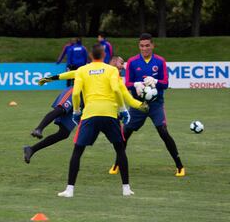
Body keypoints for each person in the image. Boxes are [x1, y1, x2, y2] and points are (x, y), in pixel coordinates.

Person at [25, 56, 148, 165]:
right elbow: (72, 74)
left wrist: (134, 105)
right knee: (61, 109)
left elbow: (114, 98)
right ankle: (39, 128)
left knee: (64, 133)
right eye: (122, 63)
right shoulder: (95, 69)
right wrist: (49, 79)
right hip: (75, 92)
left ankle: (31, 149)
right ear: (114, 62)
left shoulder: (115, 78)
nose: (123, 66)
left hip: (84, 104)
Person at [57, 43, 134, 198]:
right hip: (109, 114)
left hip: (90, 114)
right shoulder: (112, 70)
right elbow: (117, 90)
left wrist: (77, 112)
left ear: (90, 56)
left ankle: (69, 190)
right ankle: (126, 188)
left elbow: (76, 93)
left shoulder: (82, 70)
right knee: (120, 149)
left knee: (78, 151)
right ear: (104, 56)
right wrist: (123, 109)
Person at [109, 33, 185, 177]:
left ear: (152, 45)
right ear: (139, 46)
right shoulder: (132, 62)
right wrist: (136, 84)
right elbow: (127, 84)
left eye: (147, 45)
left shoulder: (160, 61)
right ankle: (117, 163)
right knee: (124, 134)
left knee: (163, 132)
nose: (144, 48)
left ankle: (179, 165)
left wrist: (155, 81)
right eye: (142, 46)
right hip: (138, 105)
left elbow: (166, 84)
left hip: (156, 104)